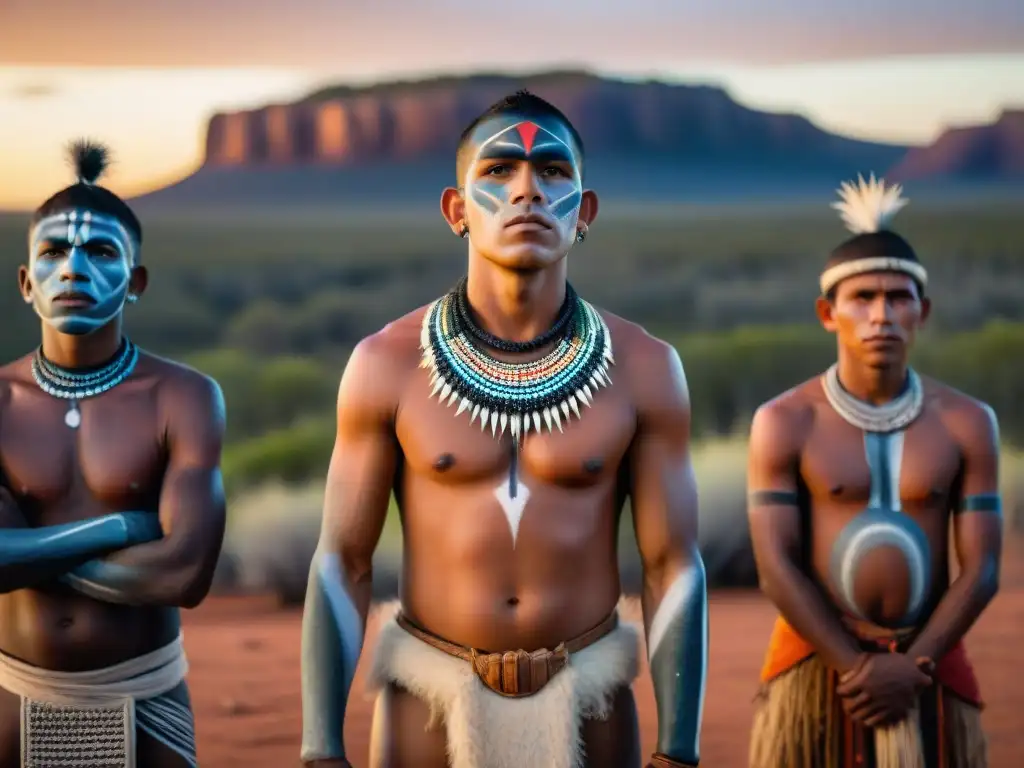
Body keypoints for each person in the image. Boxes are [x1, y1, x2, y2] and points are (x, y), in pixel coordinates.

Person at [300, 90, 708, 768]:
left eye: (552, 172)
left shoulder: (646, 368)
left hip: (590, 705)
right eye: (498, 172)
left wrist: (680, 748)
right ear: (456, 211)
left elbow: (673, 565)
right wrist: (320, 747)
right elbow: (342, 559)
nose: (527, 191)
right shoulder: (385, 363)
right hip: (426, 707)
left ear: (585, 212)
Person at [746, 174, 1001, 768]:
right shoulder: (785, 421)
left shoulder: (967, 421)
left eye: (898, 297)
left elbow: (982, 568)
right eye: (862, 298)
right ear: (827, 313)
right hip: (818, 666)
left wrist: (915, 668)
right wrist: (858, 667)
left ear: (923, 311)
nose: (880, 314)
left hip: (928, 663)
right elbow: (775, 565)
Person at [0, 140, 227, 767]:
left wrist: (31, 554)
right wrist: (123, 526)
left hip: (145, 697)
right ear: (26, 283)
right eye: (52, 252)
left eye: (100, 251)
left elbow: (184, 575)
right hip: (16, 699)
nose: (73, 270)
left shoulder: (182, 397)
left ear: (136, 281)